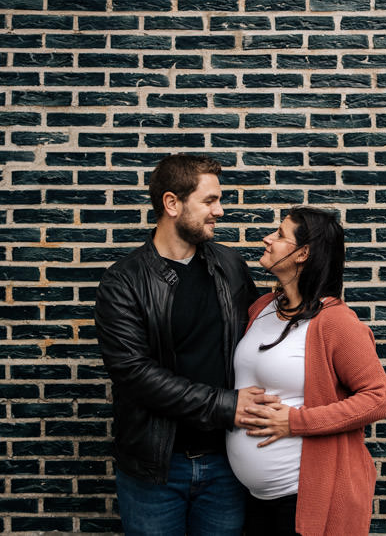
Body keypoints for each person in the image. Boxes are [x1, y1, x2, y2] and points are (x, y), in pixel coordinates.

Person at [93, 153, 272, 535]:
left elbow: (260, 337)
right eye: (209, 201)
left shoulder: (231, 268)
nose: (219, 211)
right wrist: (225, 404)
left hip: (227, 464)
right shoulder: (124, 282)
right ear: (171, 203)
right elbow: (134, 374)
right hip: (155, 469)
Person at [227, 206, 386, 536]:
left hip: (304, 497)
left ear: (302, 253)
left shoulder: (335, 322)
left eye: (279, 234)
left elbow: (379, 400)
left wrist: (295, 421)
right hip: (255, 499)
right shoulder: (262, 307)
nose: (267, 239)